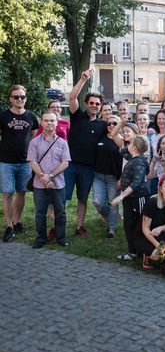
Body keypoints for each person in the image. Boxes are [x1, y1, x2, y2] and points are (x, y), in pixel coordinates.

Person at [65, 69, 107, 238]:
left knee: (83, 199)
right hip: (70, 165)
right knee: (63, 198)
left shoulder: (102, 125)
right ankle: (57, 226)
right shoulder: (77, 116)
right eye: (92, 103)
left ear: (100, 107)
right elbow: (72, 98)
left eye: (97, 104)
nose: (94, 106)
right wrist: (82, 80)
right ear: (87, 103)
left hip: (88, 168)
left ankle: (79, 226)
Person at [0, 85, 39, 241]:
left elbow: (33, 136)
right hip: (6, 162)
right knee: (8, 193)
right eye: (16, 97)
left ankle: (17, 222)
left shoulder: (31, 116)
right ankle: (9, 226)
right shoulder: (3, 116)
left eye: (22, 97)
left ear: (25, 99)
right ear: (10, 99)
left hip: (25, 162)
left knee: (21, 192)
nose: (20, 99)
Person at [27, 112, 71, 248]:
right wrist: (43, 178)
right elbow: (32, 161)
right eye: (46, 120)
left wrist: (50, 176)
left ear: (57, 123)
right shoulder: (34, 142)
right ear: (41, 123)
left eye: (52, 120)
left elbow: (65, 163)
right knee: (40, 213)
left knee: (60, 212)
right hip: (39, 185)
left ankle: (61, 237)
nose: (49, 123)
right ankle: (41, 238)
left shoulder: (63, 143)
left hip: (58, 184)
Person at [111, 136, 150, 261]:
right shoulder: (133, 158)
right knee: (128, 224)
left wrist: (120, 196)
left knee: (140, 225)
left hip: (138, 198)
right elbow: (122, 151)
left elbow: (136, 182)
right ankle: (132, 252)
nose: (128, 144)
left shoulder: (139, 162)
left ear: (134, 147)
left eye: (131, 143)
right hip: (129, 198)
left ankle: (143, 252)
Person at [92, 115, 123, 239]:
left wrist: (121, 179)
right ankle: (111, 218)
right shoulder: (101, 137)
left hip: (113, 177)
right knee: (97, 202)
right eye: (108, 123)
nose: (111, 126)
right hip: (98, 176)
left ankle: (111, 228)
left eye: (114, 123)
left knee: (113, 203)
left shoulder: (122, 140)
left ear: (119, 125)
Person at [140, 173, 165, 269]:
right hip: (146, 234)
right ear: (161, 188)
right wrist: (158, 246)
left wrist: (161, 228)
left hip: (160, 231)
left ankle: (164, 256)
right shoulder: (152, 202)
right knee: (157, 255)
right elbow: (145, 229)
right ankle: (146, 255)